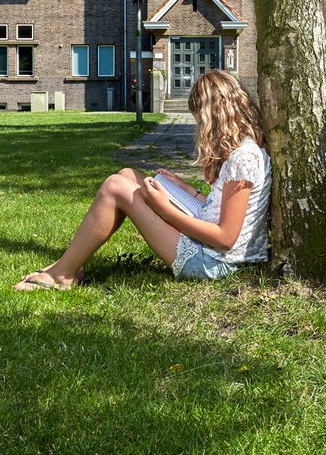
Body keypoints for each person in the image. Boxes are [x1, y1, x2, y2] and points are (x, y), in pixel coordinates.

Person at [15, 69, 271, 290]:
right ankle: (72, 262)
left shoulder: (243, 158)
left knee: (116, 188)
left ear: (213, 117)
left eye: (199, 121)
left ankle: (62, 274)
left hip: (214, 263)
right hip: (213, 250)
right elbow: (222, 209)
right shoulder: (244, 150)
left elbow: (226, 237)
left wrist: (166, 210)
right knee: (127, 175)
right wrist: (185, 189)